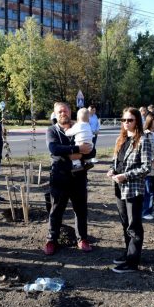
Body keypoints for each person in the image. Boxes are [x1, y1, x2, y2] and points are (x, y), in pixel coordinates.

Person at [44, 102, 95, 256]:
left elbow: (92, 151)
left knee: (81, 209)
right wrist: (77, 150)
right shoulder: (52, 130)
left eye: (65, 110)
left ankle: (82, 239)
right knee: (56, 210)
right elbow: (54, 149)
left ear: (70, 112)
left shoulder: (81, 127)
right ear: (55, 114)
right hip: (59, 176)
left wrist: (74, 153)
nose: (63, 113)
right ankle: (51, 240)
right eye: (59, 111)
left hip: (78, 176)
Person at [107, 107, 151, 273]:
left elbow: (147, 167)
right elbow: (116, 161)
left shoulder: (143, 140)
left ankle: (132, 262)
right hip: (119, 187)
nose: (126, 123)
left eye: (130, 120)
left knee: (134, 226)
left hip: (133, 188)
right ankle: (129, 253)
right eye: (124, 120)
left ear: (137, 121)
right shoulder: (122, 138)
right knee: (125, 223)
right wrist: (112, 169)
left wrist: (126, 175)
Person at [65, 108, 94, 172]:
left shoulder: (77, 125)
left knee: (73, 155)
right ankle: (89, 162)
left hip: (80, 145)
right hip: (90, 146)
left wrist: (66, 131)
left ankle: (77, 165)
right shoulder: (88, 125)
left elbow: (69, 133)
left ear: (77, 118)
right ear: (88, 119)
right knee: (86, 154)